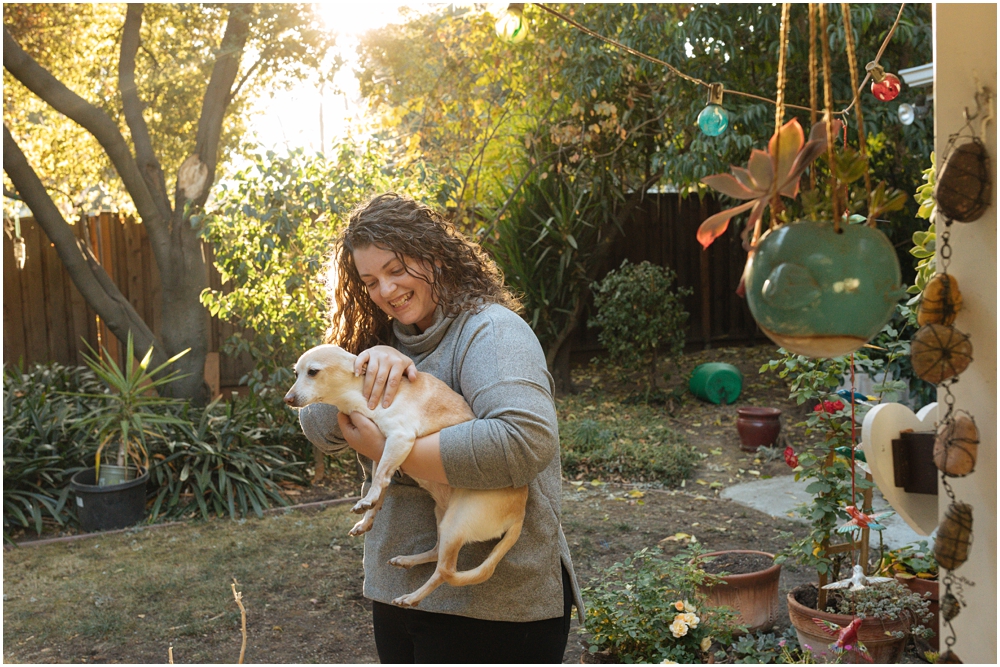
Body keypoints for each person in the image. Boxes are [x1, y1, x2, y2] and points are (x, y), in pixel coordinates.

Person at [298, 192, 584, 663]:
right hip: (396, 591)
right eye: (370, 281)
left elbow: (523, 443)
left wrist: (392, 449)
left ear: (434, 255)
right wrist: (361, 366)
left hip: (495, 608)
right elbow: (318, 426)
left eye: (396, 269)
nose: (385, 290)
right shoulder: (376, 341)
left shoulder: (491, 332)